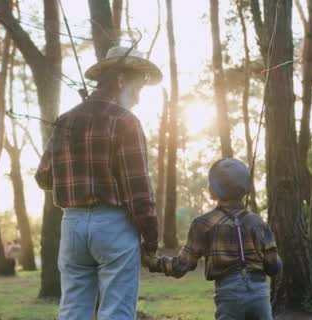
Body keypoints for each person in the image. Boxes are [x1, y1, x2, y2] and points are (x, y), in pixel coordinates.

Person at [35, 46, 162, 320]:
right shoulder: (125, 121)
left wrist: (77, 172)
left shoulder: (65, 120)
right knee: (116, 310)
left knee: (72, 310)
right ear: (120, 81)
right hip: (113, 225)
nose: (138, 99)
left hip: (72, 225)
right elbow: (138, 191)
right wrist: (150, 240)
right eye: (137, 89)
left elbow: (43, 177)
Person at [144, 158, 283, 320]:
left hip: (229, 294)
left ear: (215, 190)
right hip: (259, 293)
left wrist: (151, 262)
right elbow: (274, 267)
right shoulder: (258, 223)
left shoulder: (203, 224)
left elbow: (181, 266)